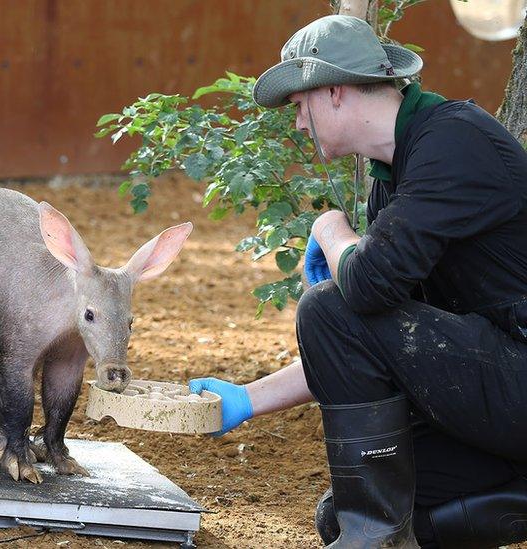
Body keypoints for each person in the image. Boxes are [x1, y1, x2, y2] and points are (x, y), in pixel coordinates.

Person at [191, 15, 527, 548]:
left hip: (515, 380)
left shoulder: (454, 141)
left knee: (328, 307)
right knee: (344, 515)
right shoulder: (394, 175)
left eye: (300, 106)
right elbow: (381, 331)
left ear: (334, 91)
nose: (299, 123)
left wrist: (331, 232)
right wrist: (247, 399)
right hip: (498, 392)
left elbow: (360, 292)